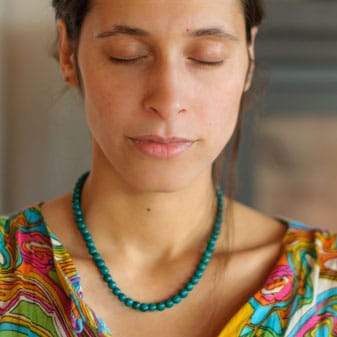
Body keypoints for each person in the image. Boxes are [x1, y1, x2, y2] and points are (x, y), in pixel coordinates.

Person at [0, 0, 336, 336]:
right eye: (126, 54)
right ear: (67, 53)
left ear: (248, 57)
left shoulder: (327, 287)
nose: (169, 100)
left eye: (208, 56)